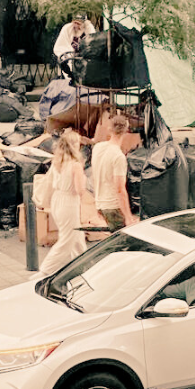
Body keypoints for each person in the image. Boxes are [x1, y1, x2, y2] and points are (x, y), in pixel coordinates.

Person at [38, 128, 87, 276]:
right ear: (74, 145)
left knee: (77, 237)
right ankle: (45, 270)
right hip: (69, 202)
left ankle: (82, 264)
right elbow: (80, 190)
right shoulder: (75, 165)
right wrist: (84, 178)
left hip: (57, 200)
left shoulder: (57, 162)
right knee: (67, 240)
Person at [92, 114, 134, 233]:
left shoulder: (98, 148)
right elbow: (120, 189)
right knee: (124, 245)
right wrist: (128, 216)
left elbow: (95, 177)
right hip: (113, 206)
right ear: (126, 131)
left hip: (100, 203)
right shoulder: (118, 157)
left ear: (109, 129)